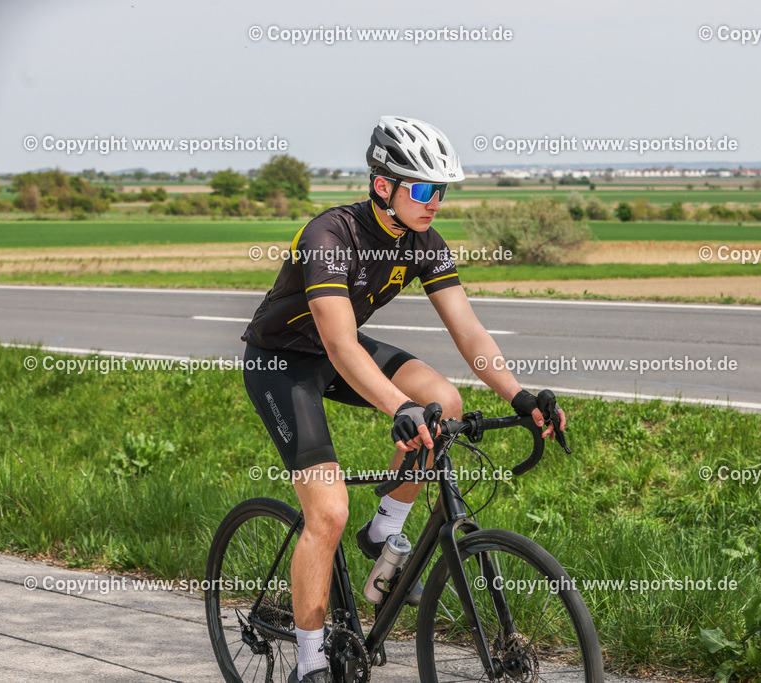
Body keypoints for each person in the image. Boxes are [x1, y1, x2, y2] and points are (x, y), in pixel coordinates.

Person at [239, 115, 566, 683]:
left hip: (339, 353)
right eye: (422, 189)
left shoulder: (423, 243)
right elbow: (340, 344)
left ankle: (383, 530)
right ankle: (311, 660)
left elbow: (468, 331)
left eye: (440, 190)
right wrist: (397, 407)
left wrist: (517, 395)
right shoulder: (329, 237)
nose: (434, 201)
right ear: (382, 186)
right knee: (329, 510)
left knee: (444, 400)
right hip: (283, 363)